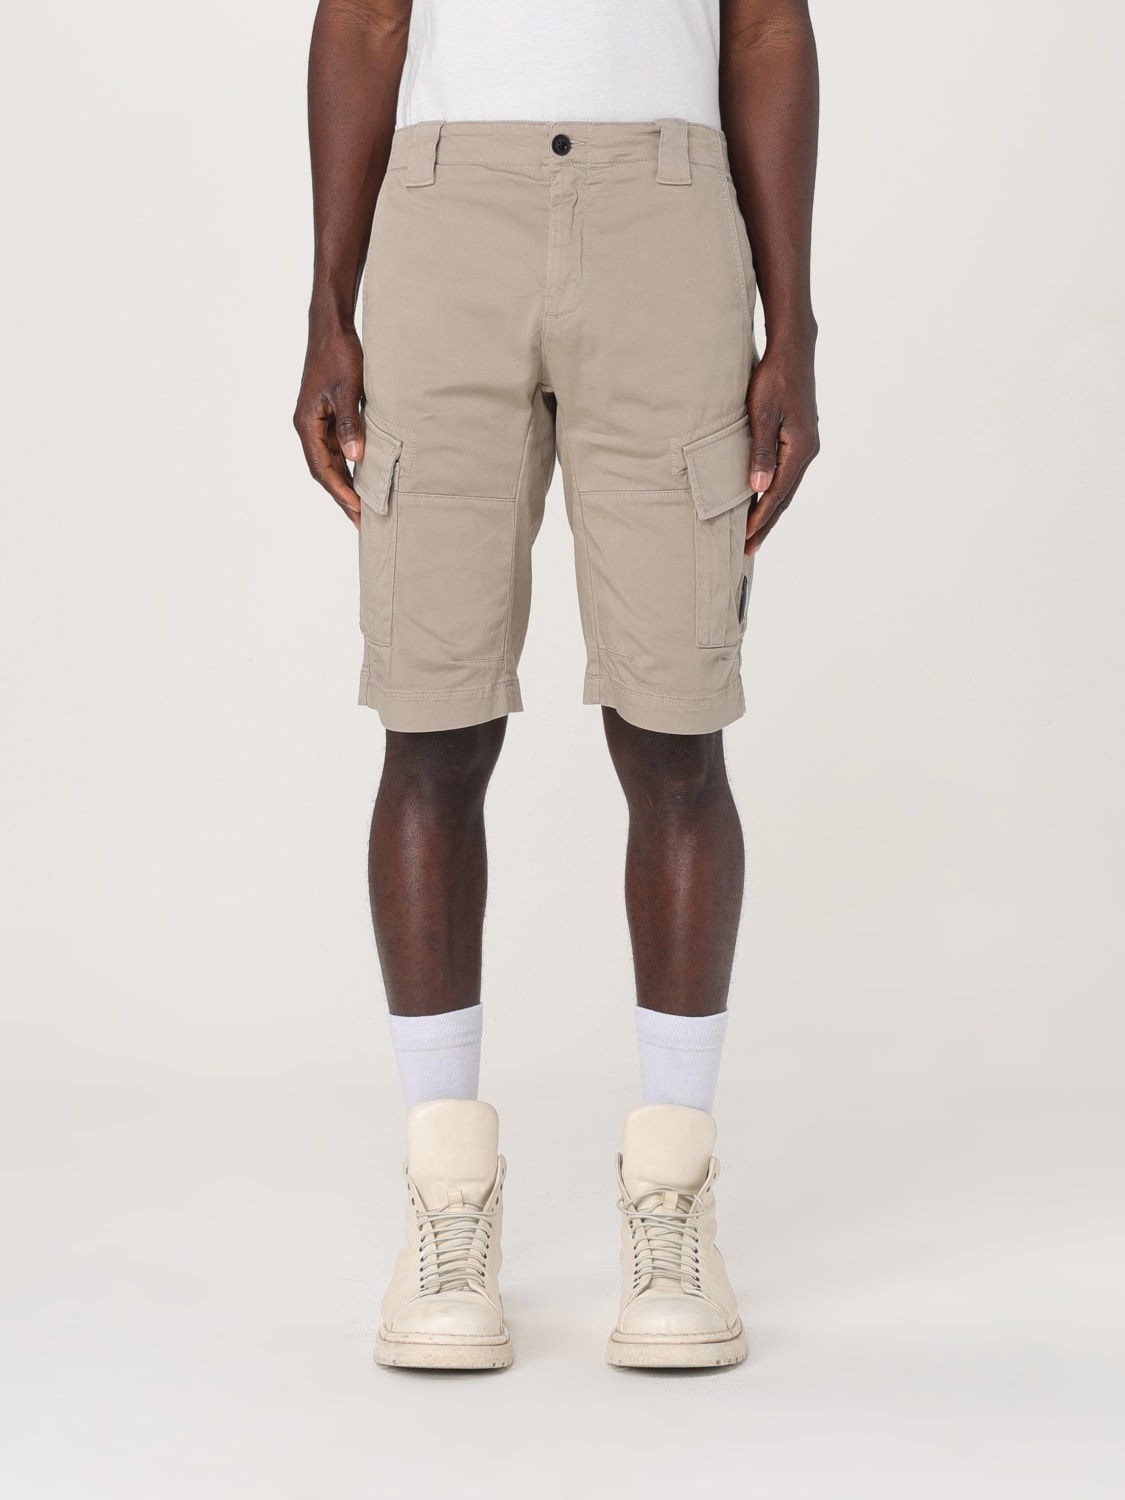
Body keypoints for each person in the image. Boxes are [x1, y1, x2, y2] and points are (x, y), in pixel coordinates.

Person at [293, 0, 820, 1371]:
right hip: (442, 216)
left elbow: (764, 29)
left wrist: (794, 328)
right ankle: (446, 1200)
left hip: (669, 215)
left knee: (676, 728)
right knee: (432, 720)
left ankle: (672, 1200)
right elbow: (364, 21)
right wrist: (329, 309)